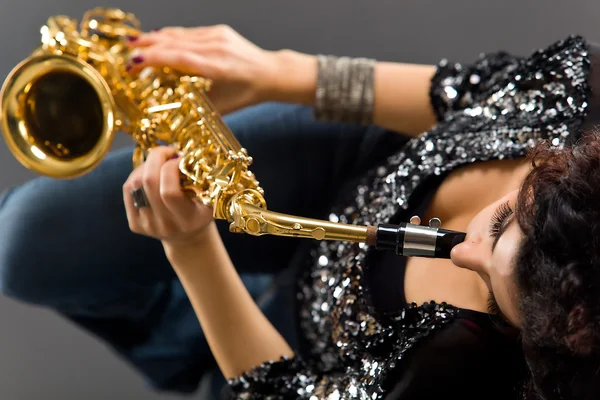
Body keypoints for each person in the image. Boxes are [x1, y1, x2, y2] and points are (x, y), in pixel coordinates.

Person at [0, 24, 599, 399]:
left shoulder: (454, 378)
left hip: (312, 359)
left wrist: (191, 250)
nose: (461, 244)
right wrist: (275, 72)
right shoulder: (590, 101)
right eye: (504, 220)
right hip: (351, 168)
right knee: (21, 237)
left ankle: (192, 342)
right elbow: (462, 91)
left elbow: (286, 393)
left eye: (495, 289)